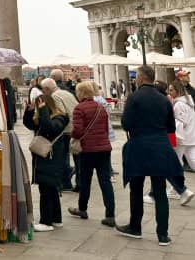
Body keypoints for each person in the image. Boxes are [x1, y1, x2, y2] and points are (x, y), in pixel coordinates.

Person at [116, 66, 185, 246]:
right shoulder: (164, 99)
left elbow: (125, 123)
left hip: (139, 146)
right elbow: (170, 126)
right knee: (160, 191)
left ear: (139, 78)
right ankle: (163, 234)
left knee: (136, 189)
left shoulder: (133, 97)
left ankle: (135, 227)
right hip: (160, 148)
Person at [67, 81, 116, 227]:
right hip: (104, 149)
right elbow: (106, 129)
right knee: (105, 181)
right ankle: (110, 215)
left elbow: (78, 130)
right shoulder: (101, 107)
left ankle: (82, 209)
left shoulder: (79, 108)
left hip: (88, 150)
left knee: (85, 180)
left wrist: (73, 135)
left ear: (81, 93)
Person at [23, 78, 69, 232]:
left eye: (40, 107)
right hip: (45, 159)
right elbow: (29, 124)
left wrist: (42, 110)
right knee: (50, 189)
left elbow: (50, 129)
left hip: (52, 160)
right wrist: (29, 110)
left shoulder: (60, 118)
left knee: (47, 190)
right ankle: (56, 219)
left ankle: (46, 221)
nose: (38, 110)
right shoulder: (45, 117)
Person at [50, 69, 79, 192]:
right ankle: (79, 183)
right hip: (75, 128)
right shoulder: (68, 92)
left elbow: (61, 114)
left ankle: (65, 182)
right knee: (76, 158)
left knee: (63, 157)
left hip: (65, 131)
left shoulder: (55, 95)